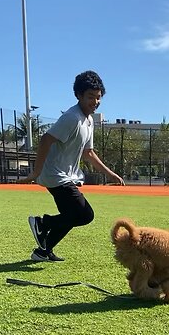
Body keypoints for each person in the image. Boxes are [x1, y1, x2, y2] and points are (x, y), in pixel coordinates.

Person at [18, 70, 124, 262]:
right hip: (55, 175)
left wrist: (110, 174)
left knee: (71, 215)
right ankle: (43, 222)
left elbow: (88, 153)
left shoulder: (89, 120)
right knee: (84, 215)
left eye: (98, 97)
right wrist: (36, 172)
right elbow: (45, 140)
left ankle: (42, 252)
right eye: (90, 97)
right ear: (79, 96)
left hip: (66, 175)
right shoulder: (72, 118)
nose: (95, 102)